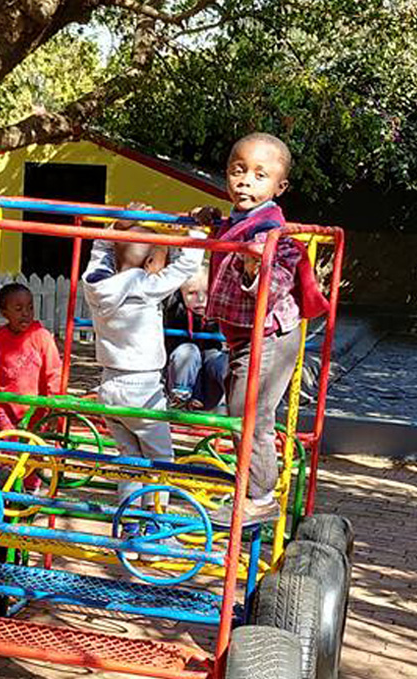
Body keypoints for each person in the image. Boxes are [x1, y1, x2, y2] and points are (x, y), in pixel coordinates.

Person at [195, 132, 305, 526]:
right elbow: (230, 234)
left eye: (260, 175)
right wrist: (213, 223)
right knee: (241, 408)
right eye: (238, 171)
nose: (245, 181)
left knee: (250, 414)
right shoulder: (241, 221)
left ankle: (260, 497)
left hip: (270, 336)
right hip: (246, 336)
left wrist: (255, 270)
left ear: (280, 186)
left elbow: (277, 285)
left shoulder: (272, 231)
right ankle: (251, 486)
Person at [82, 206, 203, 502]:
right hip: (141, 389)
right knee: (162, 458)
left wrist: (115, 227)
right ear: (150, 262)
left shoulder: (94, 284)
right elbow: (185, 268)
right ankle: (155, 524)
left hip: (108, 387)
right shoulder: (146, 286)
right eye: (160, 262)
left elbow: (99, 252)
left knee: (130, 457)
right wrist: (197, 231)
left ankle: (130, 524)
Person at [0, 282, 63, 432]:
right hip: (6, 408)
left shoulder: (42, 337)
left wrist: (55, 407)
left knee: (34, 451)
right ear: (4, 312)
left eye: (30, 307)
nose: (26, 313)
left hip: (38, 409)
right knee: (10, 450)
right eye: (19, 309)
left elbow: (54, 374)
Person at [164, 276, 228, 413]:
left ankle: (237, 399)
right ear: (180, 294)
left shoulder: (219, 313)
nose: (200, 299)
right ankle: (180, 399)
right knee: (188, 350)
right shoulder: (173, 311)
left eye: (206, 293)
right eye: (192, 293)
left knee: (220, 360)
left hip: (207, 390)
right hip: (178, 382)